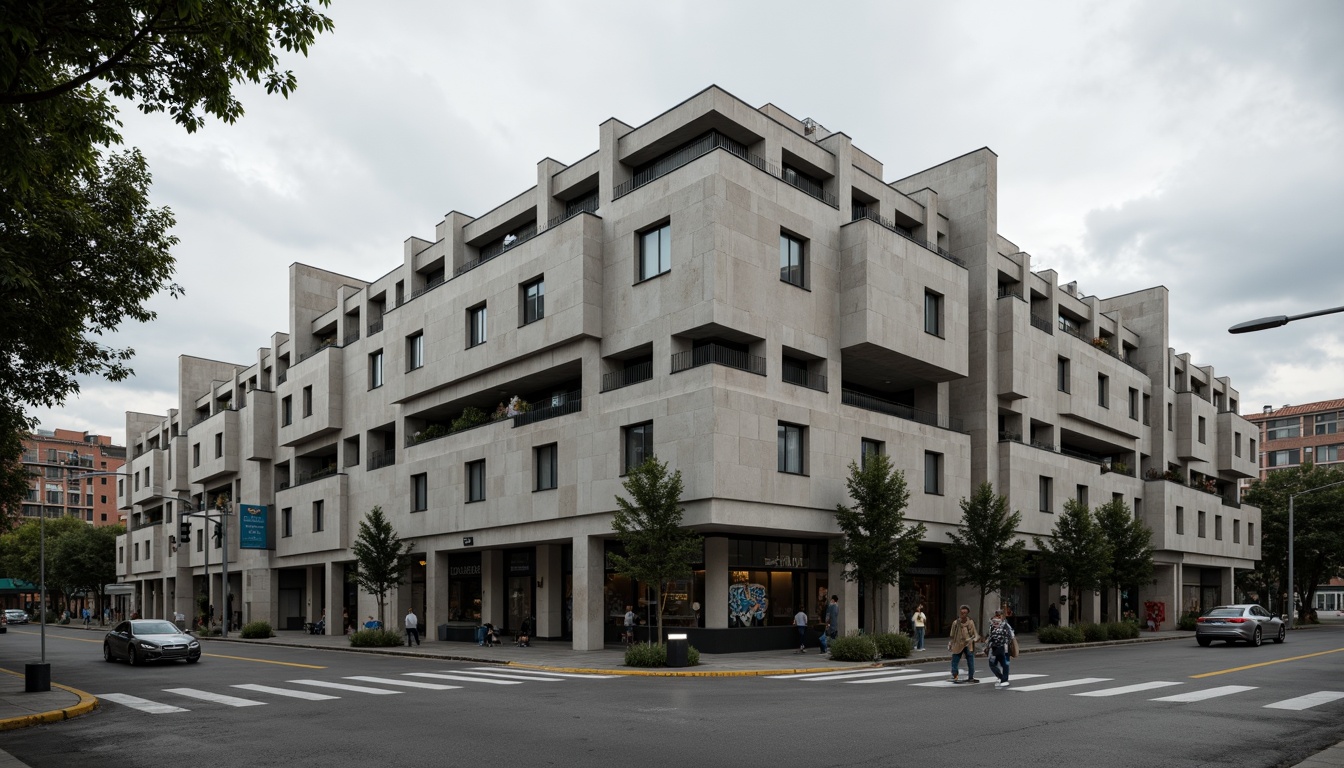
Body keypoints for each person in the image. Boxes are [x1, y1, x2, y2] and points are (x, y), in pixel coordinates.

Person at [948, 604, 979, 683]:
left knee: (970, 661)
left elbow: (974, 633)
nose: (963, 614)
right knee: (955, 660)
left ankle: (971, 677)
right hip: (958, 643)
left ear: (967, 613)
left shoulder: (970, 622)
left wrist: (974, 639)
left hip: (968, 644)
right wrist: (951, 643)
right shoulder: (956, 623)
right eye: (962, 612)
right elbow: (952, 634)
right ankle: (955, 675)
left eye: (965, 612)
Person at [986, 609, 1017, 688]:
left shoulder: (1006, 625)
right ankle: (1001, 677)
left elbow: (1010, 636)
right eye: (997, 615)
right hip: (994, 648)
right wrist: (988, 644)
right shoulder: (992, 625)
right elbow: (990, 636)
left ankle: (1004, 679)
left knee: (1005, 664)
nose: (998, 617)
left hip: (1004, 648)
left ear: (1003, 616)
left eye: (1000, 615)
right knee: (992, 664)